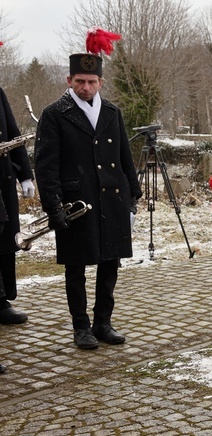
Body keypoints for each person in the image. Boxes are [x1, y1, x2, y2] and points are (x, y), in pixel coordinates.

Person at [34, 39, 142, 350]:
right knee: (76, 266)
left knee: (110, 263)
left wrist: (133, 196)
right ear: (69, 80)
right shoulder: (54, 113)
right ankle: (81, 327)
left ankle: (103, 323)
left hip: (112, 197)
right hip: (74, 203)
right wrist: (53, 206)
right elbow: (46, 165)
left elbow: (124, 157)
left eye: (92, 81)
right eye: (79, 81)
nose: (86, 87)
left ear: (100, 82)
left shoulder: (111, 111)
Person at [0, 86, 35, 325]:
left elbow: (12, 133)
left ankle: (1, 301)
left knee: (3, 242)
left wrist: (25, 174)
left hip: (2, 178)